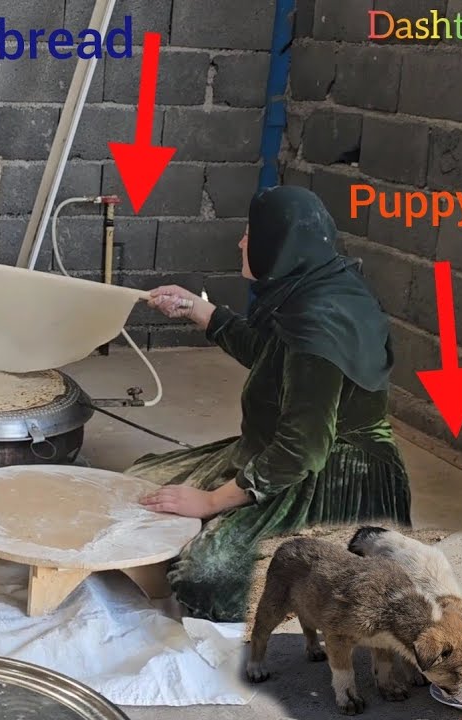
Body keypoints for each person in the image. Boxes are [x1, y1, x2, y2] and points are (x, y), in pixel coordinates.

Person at [132, 185, 412, 622]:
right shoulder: (310, 285)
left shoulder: (321, 327)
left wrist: (208, 502)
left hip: (333, 473)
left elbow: (302, 450)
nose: (242, 242)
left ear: (279, 245)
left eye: (250, 234)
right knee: (140, 487)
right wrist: (196, 310)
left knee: (207, 578)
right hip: (281, 446)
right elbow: (269, 353)